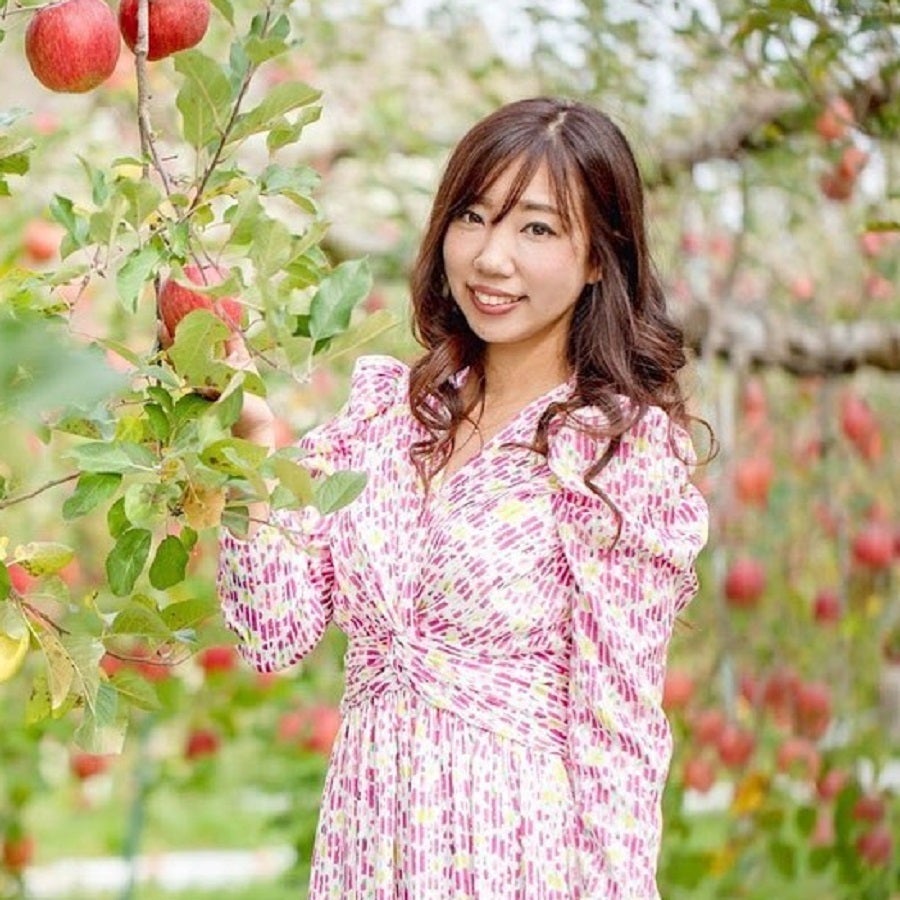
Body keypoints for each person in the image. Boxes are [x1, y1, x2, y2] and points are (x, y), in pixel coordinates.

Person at [216, 96, 710, 899]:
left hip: (517, 858)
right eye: (473, 217)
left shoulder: (612, 457)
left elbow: (618, 731)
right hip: (366, 854)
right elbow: (273, 633)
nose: (491, 257)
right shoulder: (387, 420)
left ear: (598, 258)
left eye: (537, 229)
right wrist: (250, 445)